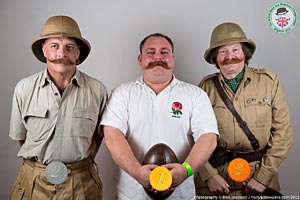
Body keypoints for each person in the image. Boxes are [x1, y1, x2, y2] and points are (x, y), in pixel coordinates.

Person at [100, 32, 219, 200]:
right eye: (150, 52)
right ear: (140, 59)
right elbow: (112, 136)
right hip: (132, 194)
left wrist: (186, 169)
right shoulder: (123, 93)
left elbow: (208, 138)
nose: (158, 56)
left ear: (173, 58)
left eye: (164, 52)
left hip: (181, 194)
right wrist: (136, 171)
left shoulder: (195, 95)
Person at [9, 15, 107, 200]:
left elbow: (99, 136)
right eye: (54, 46)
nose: (61, 54)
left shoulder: (98, 90)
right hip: (32, 182)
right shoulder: (24, 88)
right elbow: (21, 137)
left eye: (69, 47)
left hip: (82, 185)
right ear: (44, 50)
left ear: (78, 53)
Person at [195, 22, 293, 197]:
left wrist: (263, 178)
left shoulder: (269, 82)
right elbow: (192, 135)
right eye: (222, 51)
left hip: (259, 177)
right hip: (217, 181)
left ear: (245, 53)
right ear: (215, 57)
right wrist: (209, 175)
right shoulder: (205, 87)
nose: (229, 56)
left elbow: (283, 134)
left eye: (235, 50)